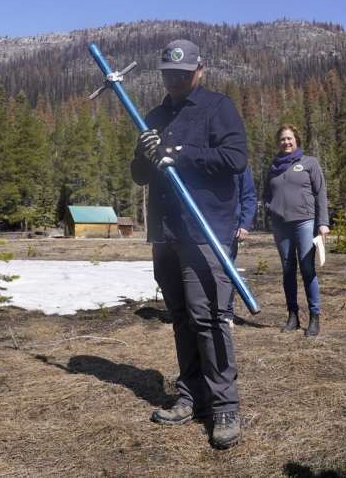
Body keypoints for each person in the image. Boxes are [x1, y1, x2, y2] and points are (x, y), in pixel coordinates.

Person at [131, 39, 247, 450]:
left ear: (200, 70)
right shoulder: (154, 115)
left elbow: (235, 158)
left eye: (183, 74)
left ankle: (224, 405)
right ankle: (191, 395)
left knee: (209, 316)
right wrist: (147, 155)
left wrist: (180, 154)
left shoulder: (219, 108)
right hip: (166, 233)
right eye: (169, 74)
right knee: (180, 316)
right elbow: (139, 176)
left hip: (205, 232)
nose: (176, 81)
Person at [263, 124, 329, 337]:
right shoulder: (273, 166)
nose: (286, 142)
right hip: (281, 225)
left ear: (297, 140)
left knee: (307, 268)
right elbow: (266, 194)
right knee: (287, 269)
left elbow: (320, 193)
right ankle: (292, 315)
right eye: (282, 139)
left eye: (289, 138)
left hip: (305, 222)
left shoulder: (309, 163)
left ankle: (314, 316)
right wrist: (269, 209)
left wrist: (323, 222)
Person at [225, 165, 257, 328]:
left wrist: (245, 224)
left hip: (230, 226)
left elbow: (249, 196)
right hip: (204, 225)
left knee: (227, 270)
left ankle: (226, 313)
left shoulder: (239, 164)